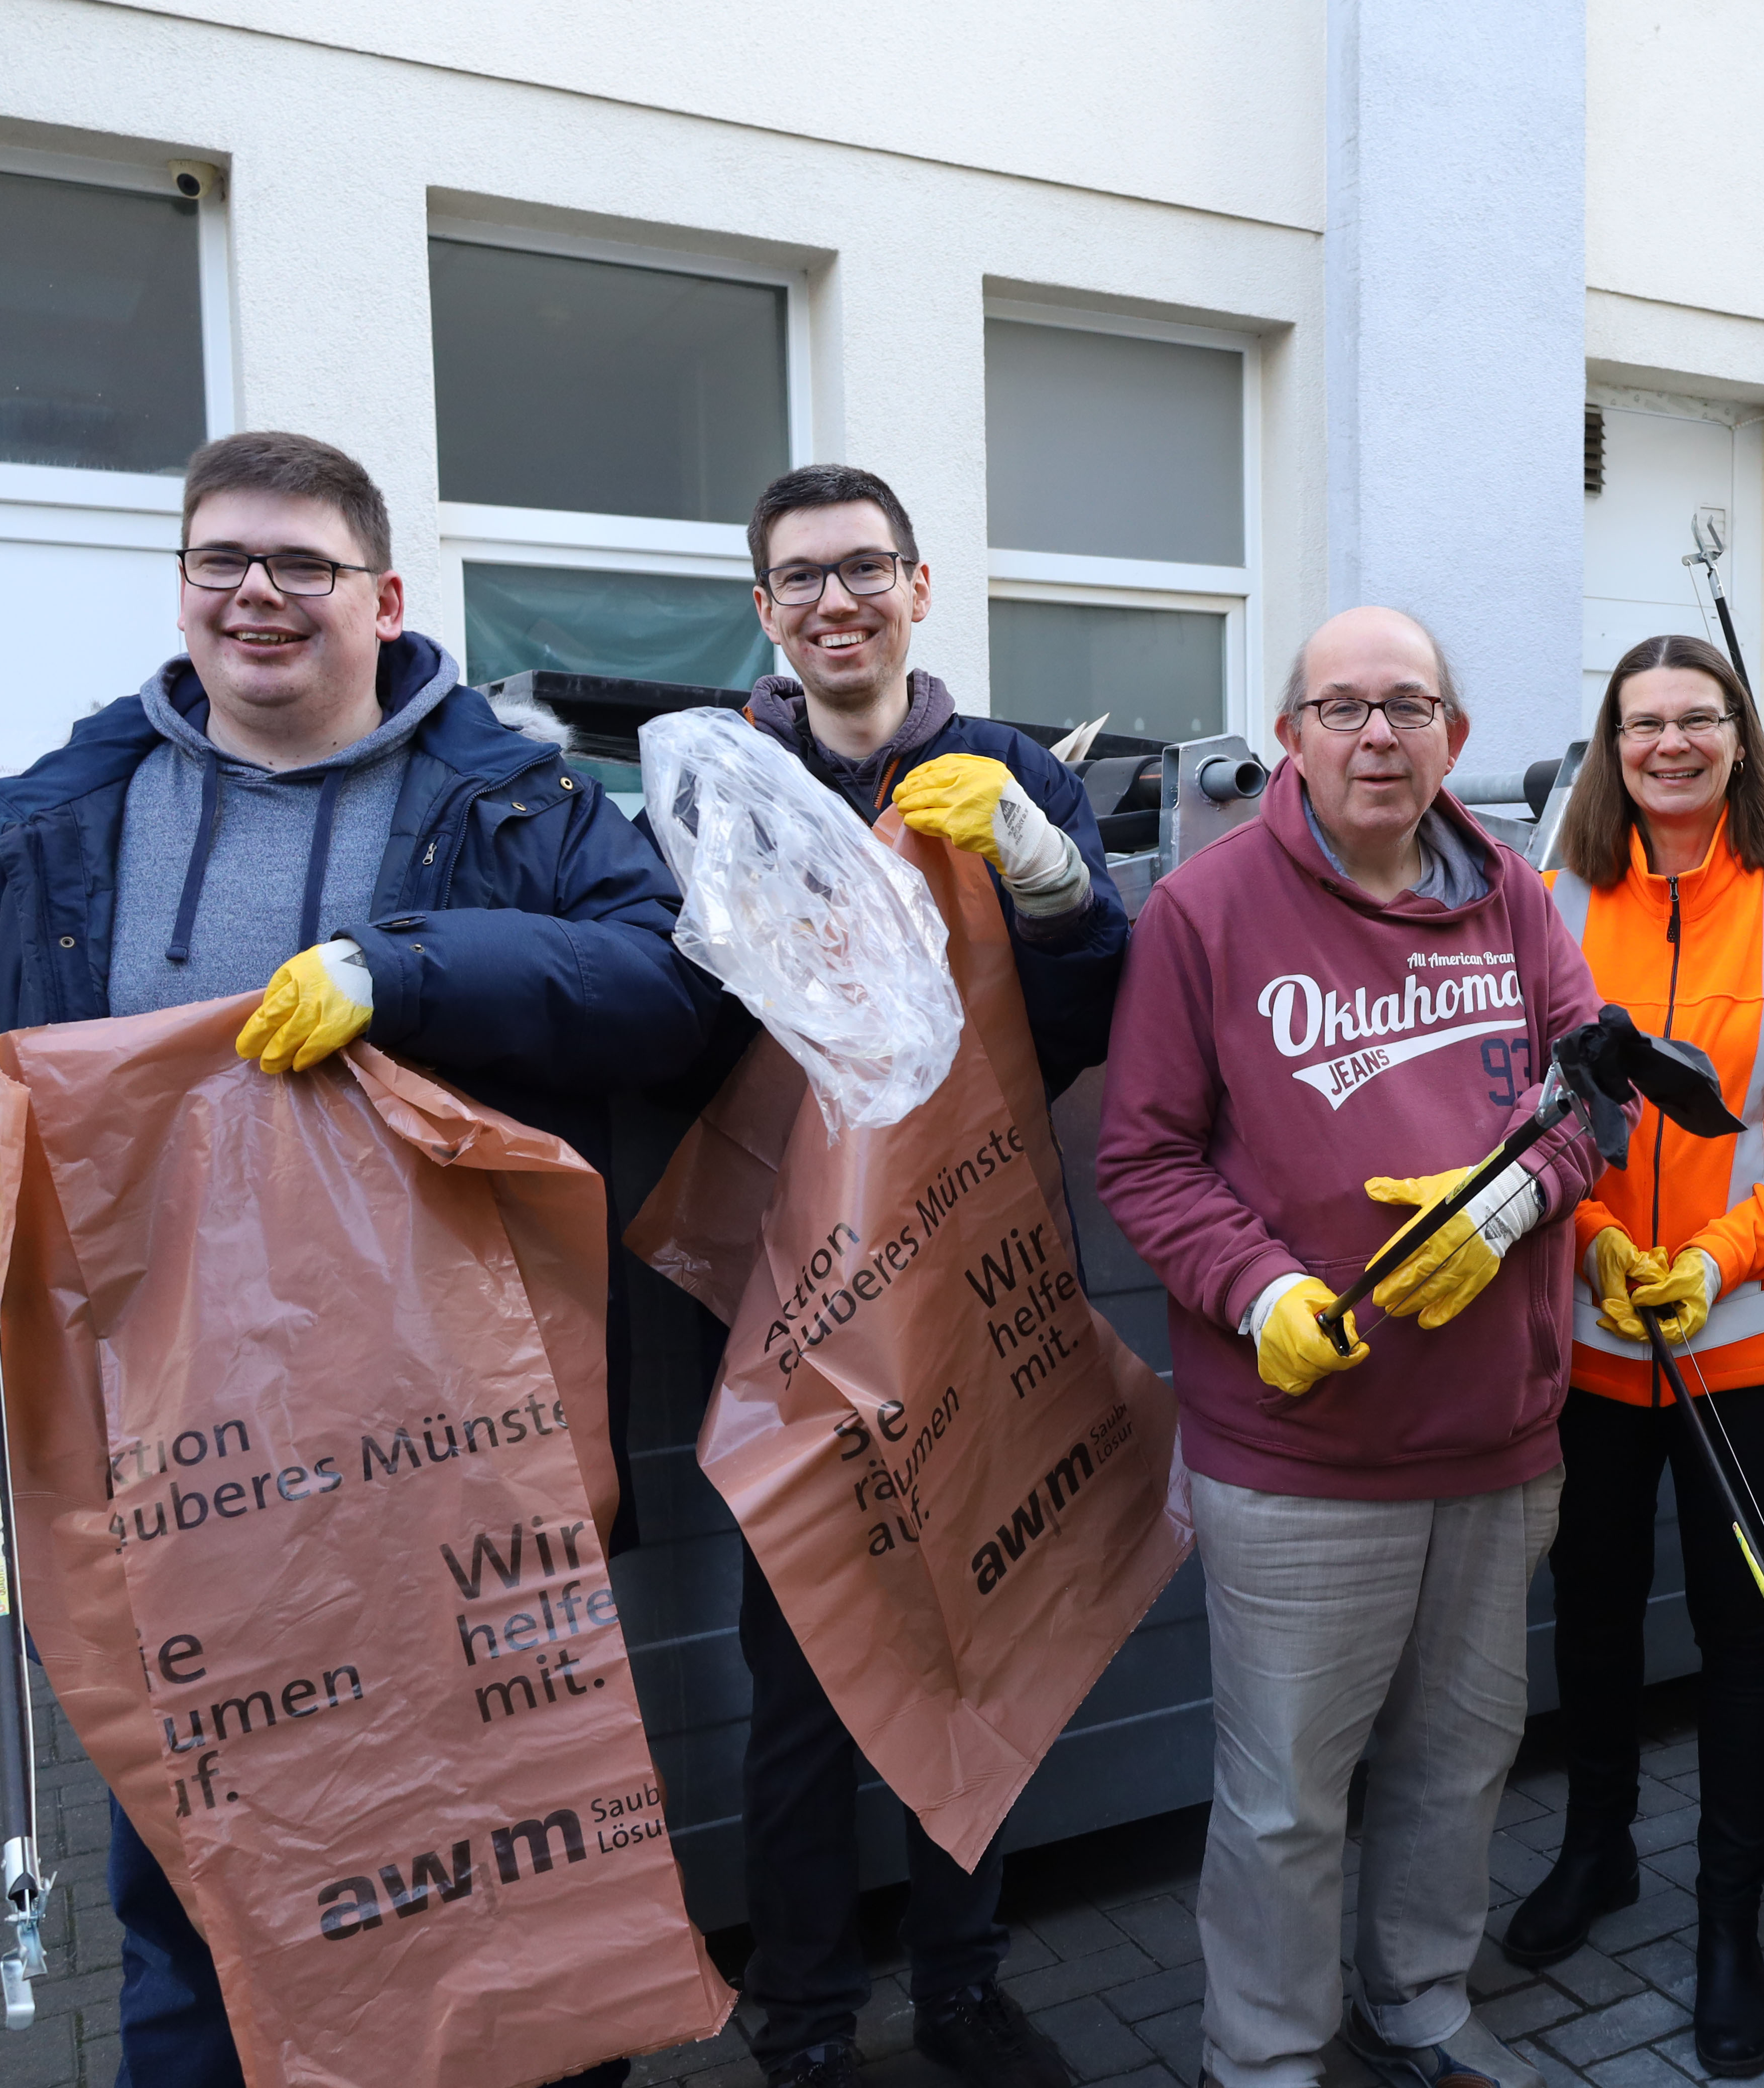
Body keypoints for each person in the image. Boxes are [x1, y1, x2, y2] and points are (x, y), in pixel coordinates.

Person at [0, 430, 715, 2088]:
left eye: (302, 564)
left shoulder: (517, 804)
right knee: (196, 1890)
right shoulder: (75, 817)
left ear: (386, 599)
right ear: (182, 589)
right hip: (175, 1464)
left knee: (509, 1855)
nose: (257, 594)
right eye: (221, 560)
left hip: (454, 1455)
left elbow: (668, 991)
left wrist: (406, 971)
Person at [1097, 607, 1605, 2088]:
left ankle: (1421, 2003)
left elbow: (1597, 1101)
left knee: (1459, 1761)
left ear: (1453, 734)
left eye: (1408, 706)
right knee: (1283, 1799)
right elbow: (1144, 1161)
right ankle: (1264, 2053)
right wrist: (1260, 1295)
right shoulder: (1203, 912)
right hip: (1300, 1451)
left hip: (1498, 1436)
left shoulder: (1516, 897)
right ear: (1291, 736)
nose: (1377, 735)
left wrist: (1505, 1207)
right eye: (1342, 708)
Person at [714, 464, 1126, 2088]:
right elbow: (666, 1032)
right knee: (802, 1676)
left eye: (865, 568)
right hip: (792, 1302)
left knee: (978, 1634)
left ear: (919, 587)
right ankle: (807, 2019)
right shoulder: (726, 782)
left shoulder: (1010, 769)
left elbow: (1089, 1021)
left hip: (975, 1274)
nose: (839, 601)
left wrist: (1052, 885)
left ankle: (961, 1990)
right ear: (766, 610)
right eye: (804, 577)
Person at [1508, 633, 1764, 2073]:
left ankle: (1730, 1917)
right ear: (1610, 749)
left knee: (1744, 1640)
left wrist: (1721, 1257)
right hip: (1591, 1336)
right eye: (1641, 723)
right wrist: (1602, 1236)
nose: (1668, 744)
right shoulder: (1550, 904)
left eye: (1697, 719)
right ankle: (1597, 1847)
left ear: (1739, 739)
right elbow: (1526, 1103)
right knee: (1594, 1611)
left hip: (1755, 1348)